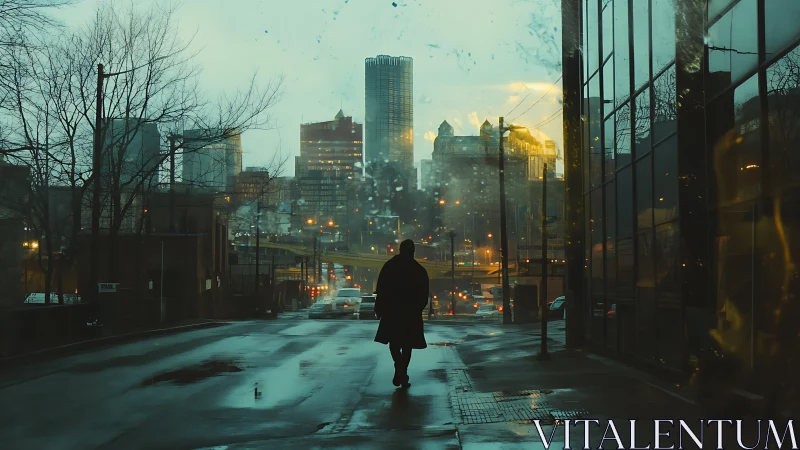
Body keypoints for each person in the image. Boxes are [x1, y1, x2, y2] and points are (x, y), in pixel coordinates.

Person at [374, 239, 429, 388]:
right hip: (411, 313)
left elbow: (381, 289)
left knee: (394, 343)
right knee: (407, 345)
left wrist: (379, 308)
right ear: (412, 251)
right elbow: (424, 294)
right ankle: (402, 371)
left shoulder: (390, 266)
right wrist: (418, 308)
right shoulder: (418, 270)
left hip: (392, 312)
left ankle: (399, 368)